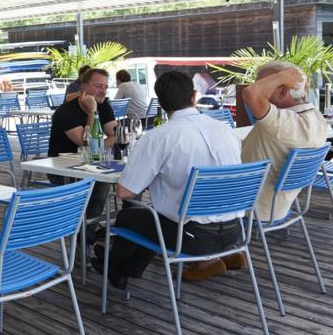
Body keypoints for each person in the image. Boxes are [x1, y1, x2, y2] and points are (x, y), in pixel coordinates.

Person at [93, 71, 244, 288]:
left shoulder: (158, 137)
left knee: (129, 217)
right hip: (234, 232)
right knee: (154, 216)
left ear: (161, 104)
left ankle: (114, 266)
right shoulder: (227, 131)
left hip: (192, 238)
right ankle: (124, 270)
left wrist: (153, 177)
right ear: (194, 97)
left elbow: (124, 192)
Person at [242, 61, 327, 223]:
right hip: (277, 206)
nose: (260, 87)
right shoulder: (316, 117)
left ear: (282, 91)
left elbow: (251, 93)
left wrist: (283, 76)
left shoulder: (283, 123)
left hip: (250, 205)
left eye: (263, 84)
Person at [49, 68, 118, 227]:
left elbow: (117, 135)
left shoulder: (104, 106)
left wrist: (101, 144)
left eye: (105, 87)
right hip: (62, 170)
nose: (103, 91)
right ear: (83, 87)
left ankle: (126, 227)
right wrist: (92, 111)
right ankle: (87, 233)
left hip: (92, 165)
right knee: (100, 182)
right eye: (98, 86)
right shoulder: (65, 112)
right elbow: (89, 145)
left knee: (133, 175)